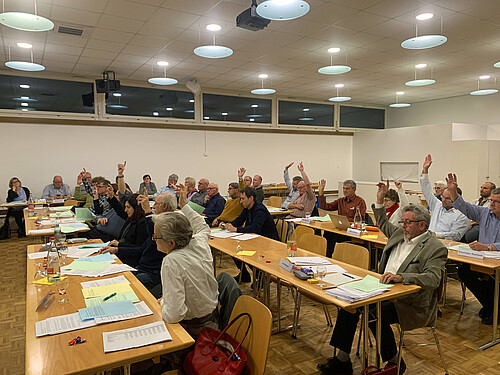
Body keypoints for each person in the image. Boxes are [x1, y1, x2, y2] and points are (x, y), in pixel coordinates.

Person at [317, 183, 447, 375]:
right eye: (402, 222)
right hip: (383, 290)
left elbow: (433, 278)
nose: (402, 226)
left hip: (410, 302)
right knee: (348, 304)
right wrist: (379, 201)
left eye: (407, 223)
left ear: (422, 225)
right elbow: (384, 224)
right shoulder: (400, 234)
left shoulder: (435, 247)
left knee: (372, 312)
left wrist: (402, 277)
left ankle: (395, 362)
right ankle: (342, 359)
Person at [153, 190, 219, 338]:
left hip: (194, 329)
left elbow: (174, 315)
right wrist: (184, 205)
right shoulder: (199, 242)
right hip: (212, 319)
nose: (154, 239)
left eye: (156, 236)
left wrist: (163, 302)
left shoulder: (171, 261)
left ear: (171, 243)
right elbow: (202, 226)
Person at [447, 173, 500, 325]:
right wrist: (452, 191)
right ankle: (491, 306)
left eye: (497, 202)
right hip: (483, 260)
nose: (492, 204)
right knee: (464, 271)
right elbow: (464, 206)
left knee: (493, 280)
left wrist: (488, 247)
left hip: (496, 260)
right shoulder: (485, 212)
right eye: (492, 201)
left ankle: (493, 308)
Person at [99, 192, 177, 297]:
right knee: (112, 279)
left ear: (165, 206)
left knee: (119, 288)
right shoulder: (154, 222)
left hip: (152, 273)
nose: (153, 206)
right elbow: (143, 248)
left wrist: (148, 212)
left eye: (155, 203)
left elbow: (153, 243)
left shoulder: (168, 225)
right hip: (142, 267)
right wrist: (117, 250)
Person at [222, 187, 279, 282]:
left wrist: (236, 229)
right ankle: (245, 275)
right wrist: (227, 225)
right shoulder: (247, 208)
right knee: (233, 250)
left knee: (244, 252)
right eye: (240, 198)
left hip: (267, 241)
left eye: (243, 198)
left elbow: (256, 228)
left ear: (251, 198)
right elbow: (239, 220)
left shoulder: (260, 209)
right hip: (254, 238)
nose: (241, 201)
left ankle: (261, 276)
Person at [420, 155, 470, 241]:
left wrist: (434, 235)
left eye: (447, 198)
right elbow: (426, 190)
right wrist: (425, 171)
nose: (443, 200)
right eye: (442, 197)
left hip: (445, 245)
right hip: (427, 241)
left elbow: (455, 235)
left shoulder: (463, 215)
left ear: (456, 199)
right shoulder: (437, 205)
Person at [318, 179, 367, 257]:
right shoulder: (341, 201)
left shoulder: (360, 201)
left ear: (354, 189)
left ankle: (338, 256)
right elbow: (325, 206)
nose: (345, 190)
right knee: (328, 233)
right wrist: (321, 193)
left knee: (335, 235)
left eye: (347, 188)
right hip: (341, 228)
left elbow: (362, 219)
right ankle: (326, 256)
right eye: (343, 188)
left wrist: (349, 223)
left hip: (352, 230)